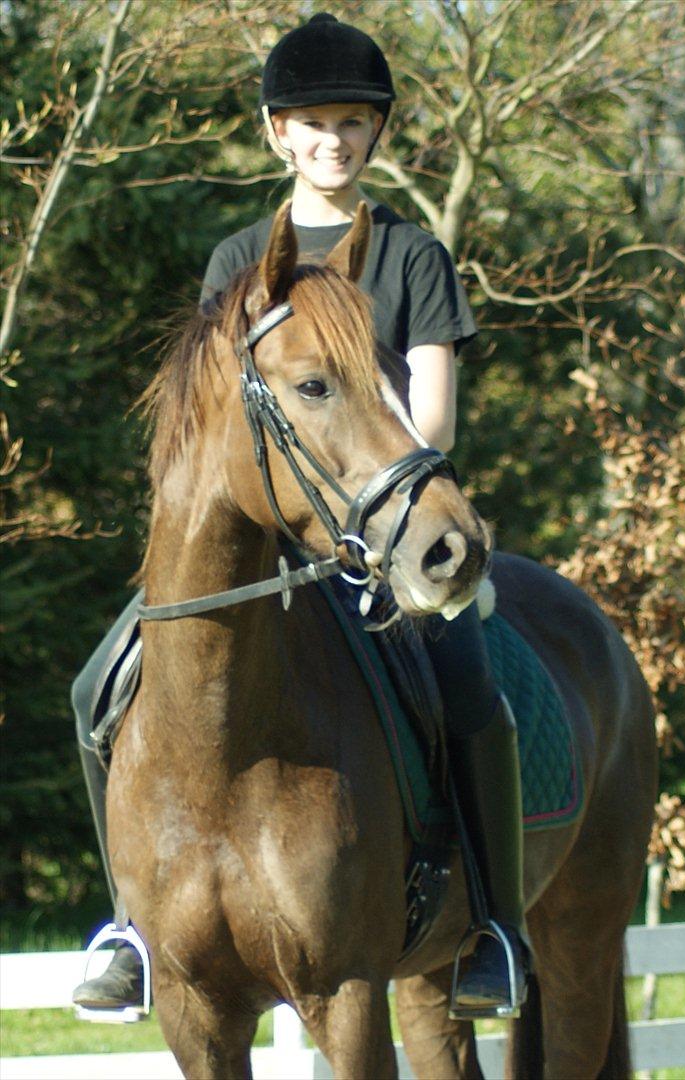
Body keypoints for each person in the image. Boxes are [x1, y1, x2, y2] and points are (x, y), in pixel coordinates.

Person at [71, 12, 529, 1018]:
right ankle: (129, 928)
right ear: (279, 131)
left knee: (468, 689)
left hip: (383, 524)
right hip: (264, 534)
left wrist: (384, 493)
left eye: (353, 122)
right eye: (315, 121)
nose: (334, 140)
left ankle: (495, 928)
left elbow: (432, 407)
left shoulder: (409, 256)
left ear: (375, 135)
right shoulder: (240, 258)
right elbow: (209, 414)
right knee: (96, 689)